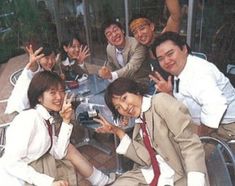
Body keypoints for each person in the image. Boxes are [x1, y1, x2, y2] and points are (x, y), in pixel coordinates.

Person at [0, 71, 114, 186]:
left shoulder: (46, 119)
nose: (59, 97)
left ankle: (101, 181)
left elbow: (59, 152)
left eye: (62, 91)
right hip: (17, 178)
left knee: (68, 149)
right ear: (39, 97)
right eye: (52, 92)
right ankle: (101, 181)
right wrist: (48, 182)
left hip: (33, 166)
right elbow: (10, 162)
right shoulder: (29, 118)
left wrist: (66, 121)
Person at [94, 77, 208, 186]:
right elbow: (146, 159)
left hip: (180, 174)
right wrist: (117, 131)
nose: (124, 107)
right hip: (154, 173)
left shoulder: (160, 102)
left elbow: (190, 143)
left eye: (124, 98)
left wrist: (195, 182)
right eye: (118, 107)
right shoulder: (139, 123)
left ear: (136, 91)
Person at [150, 31, 235, 139]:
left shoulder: (198, 72)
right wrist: (169, 93)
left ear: (184, 49)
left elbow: (216, 104)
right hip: (206, 124)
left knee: (183, 151)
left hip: (226, 127)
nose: (166, 61)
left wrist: (199, 134)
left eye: (170, 53)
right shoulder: (180, 70)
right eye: (161, 58)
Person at [5, 43, 58, 114]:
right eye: (47, 58)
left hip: (28, 110)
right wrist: (33, 63)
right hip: (18, 111)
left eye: (53, 58)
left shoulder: (45, 72)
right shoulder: (34, 70)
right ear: (38, 59)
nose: (50, 61)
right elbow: (34, 68)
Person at [98, 20, 150, 85]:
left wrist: (111, 75)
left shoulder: (137, 45)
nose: (114, 35)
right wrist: (105, 72)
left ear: (123, 31)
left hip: (141, 82)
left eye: (115, 30)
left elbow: (131, 68)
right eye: (109, 34)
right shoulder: (109, 48)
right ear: (108, 41)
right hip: (123, 82)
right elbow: (111, 66)